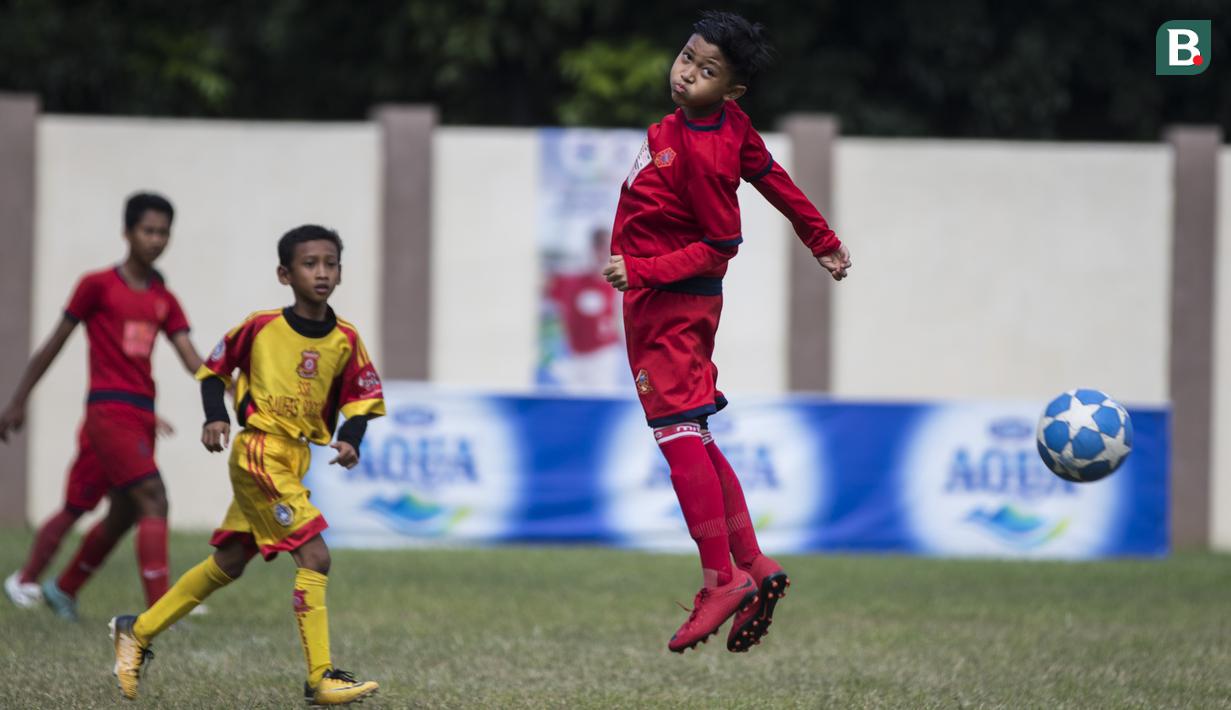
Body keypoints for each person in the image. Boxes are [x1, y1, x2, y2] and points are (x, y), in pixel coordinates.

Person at [602, 11, 852, 654]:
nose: (687, 73)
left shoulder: (703, 147)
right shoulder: (723, 125)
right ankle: (755, 564)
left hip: (667, 304)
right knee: (695, 431)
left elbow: (720, 245)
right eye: (688, 57)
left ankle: (721, 578)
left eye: (707, 71)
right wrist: (821, 239)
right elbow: (774, 178)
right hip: (675, 305)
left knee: (674, 431)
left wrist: (642, 271)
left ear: (732, 91)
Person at [109, 225, 385, 706]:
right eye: (309, 263)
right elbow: (213, 371)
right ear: (285, 274)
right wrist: (216, 417)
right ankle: (321, 677)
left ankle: (139, 630)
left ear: (340, 271)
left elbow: (364, 398)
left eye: (330, 263)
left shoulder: (346, 339)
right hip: (259, 451)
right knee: (316, 557)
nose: (321, 272)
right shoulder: (260, 327)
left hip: (294, 455)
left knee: (230, 562)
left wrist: (350, 439)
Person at [1, 192, 202, 620]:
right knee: (154, 497)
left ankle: (63, 587)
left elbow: (190, 356)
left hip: (141, 415)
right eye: (148, 230)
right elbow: (53, 344)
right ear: (127, 233)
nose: (156, 240)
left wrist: (226, 384)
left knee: (126, 509)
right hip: (108, 413)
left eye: (164, 232)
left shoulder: (164, 296)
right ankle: (162, 610)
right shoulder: (97, 286)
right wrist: (18, 400)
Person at [544, 227, 624, 391]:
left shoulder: (617, 284)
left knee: (600, 394)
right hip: (575, 353)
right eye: (598, 247)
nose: (601, 253)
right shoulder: (572, 281)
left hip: (603, 353)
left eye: (605, 248)